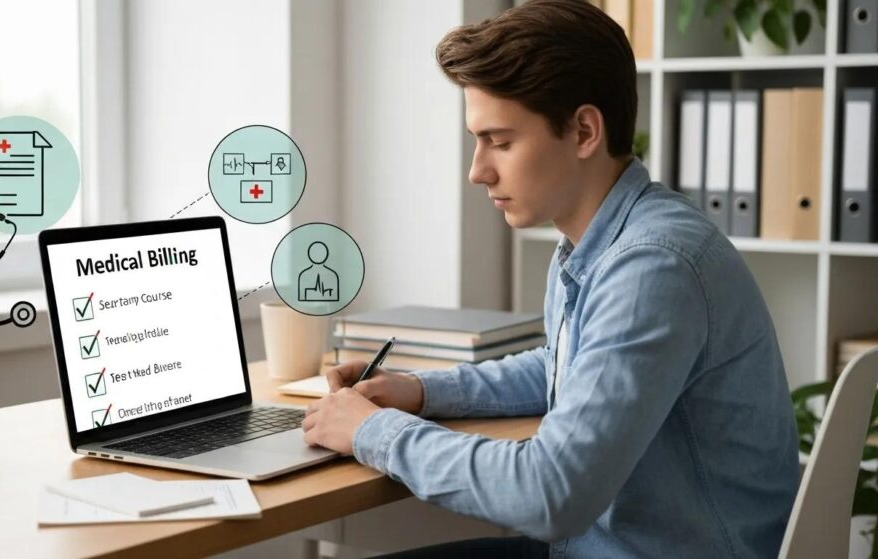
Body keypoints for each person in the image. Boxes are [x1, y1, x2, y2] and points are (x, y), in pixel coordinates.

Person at [300, 0, 800, 557]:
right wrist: (421, 391)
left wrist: (371, 431)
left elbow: (551, 493)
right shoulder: (598, 238)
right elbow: (568, 366)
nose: (477, 170)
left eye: (501, 141)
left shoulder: (652, 266)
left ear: (584, 131)